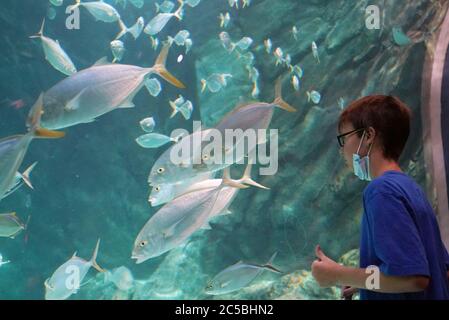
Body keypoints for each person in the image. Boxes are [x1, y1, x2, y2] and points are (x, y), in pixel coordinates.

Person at [311, 95, 449, 300]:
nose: (342, 150)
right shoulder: (410, 188)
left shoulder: (381, 191)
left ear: (368, 135)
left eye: (344, 138)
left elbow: (413, 278)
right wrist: (361, 282)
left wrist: (337, 274)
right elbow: (441, 271)